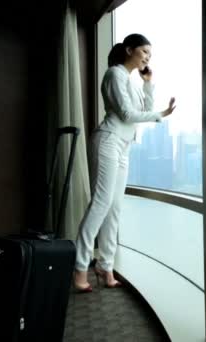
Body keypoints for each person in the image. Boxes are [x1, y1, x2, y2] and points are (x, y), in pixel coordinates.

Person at [73, 33, 176, 292]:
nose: (147, 58)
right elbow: (129, 114)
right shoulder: (115, 74)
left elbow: (142, 110)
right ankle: (79, 267)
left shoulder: (130, 80)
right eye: (144, 52)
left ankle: (105, 266)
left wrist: (148, 84)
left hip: (123, 145)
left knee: (115, 207)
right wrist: (162, 113)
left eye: (150, 55)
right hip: (108, 140)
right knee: (100, 203)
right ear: (129, 50)